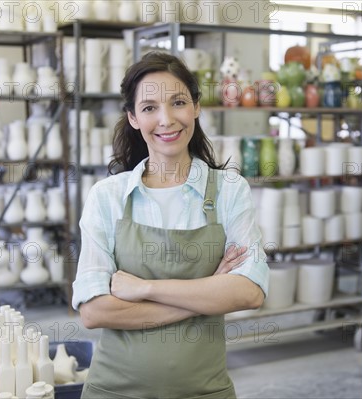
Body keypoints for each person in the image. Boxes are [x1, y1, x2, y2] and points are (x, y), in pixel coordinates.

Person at [72, 51, 269, 398]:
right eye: (149, 108)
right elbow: (94, 310)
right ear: (133, 117)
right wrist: (208, 290)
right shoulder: (108, 197)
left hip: (204, 391)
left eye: (178, 102)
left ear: (196, 106)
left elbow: (249, 292)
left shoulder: (228, 190)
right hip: (113, 391)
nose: (166, 119)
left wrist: (145, 289)